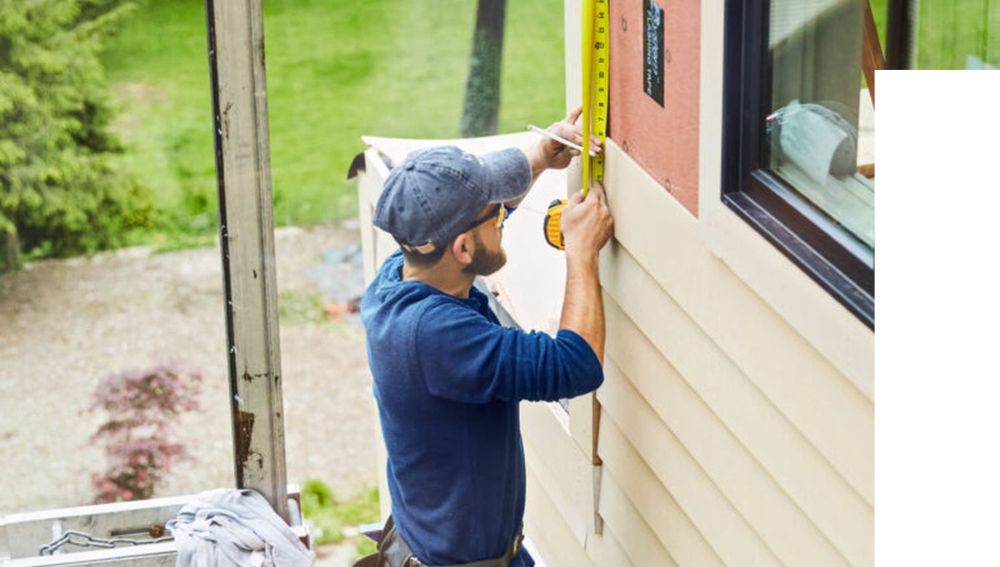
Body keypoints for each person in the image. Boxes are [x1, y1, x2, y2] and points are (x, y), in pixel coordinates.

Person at [357, 107, 614, 567]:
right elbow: (575, 364)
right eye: (495, 214)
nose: (505, 214)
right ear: (462, 249)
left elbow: (475, 231)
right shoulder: (439, 339)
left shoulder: (397, 278)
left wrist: (538, 156)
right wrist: (582, 250)